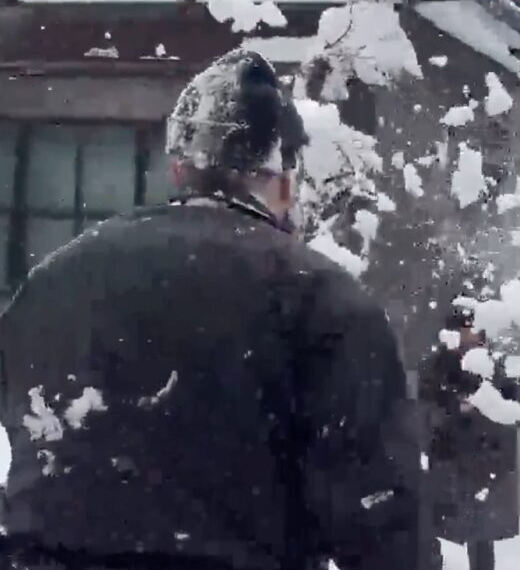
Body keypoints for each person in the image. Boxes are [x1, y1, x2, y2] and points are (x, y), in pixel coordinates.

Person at [0, 50, 420, 570]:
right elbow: (380, 512)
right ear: (285, 178)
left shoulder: (54, 281)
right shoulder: (319, 297)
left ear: (179, 169)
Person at [420, 310, 520, 570]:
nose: (472, 335)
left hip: (484, 462)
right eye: (466, 329)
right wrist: (454, 410)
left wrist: (486, 411)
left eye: (475, 329)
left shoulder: (492, 366)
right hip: (448, 459)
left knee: (481, 536)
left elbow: (514, 408)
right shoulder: (437, 367)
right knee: (432, 527)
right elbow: (427, 410)